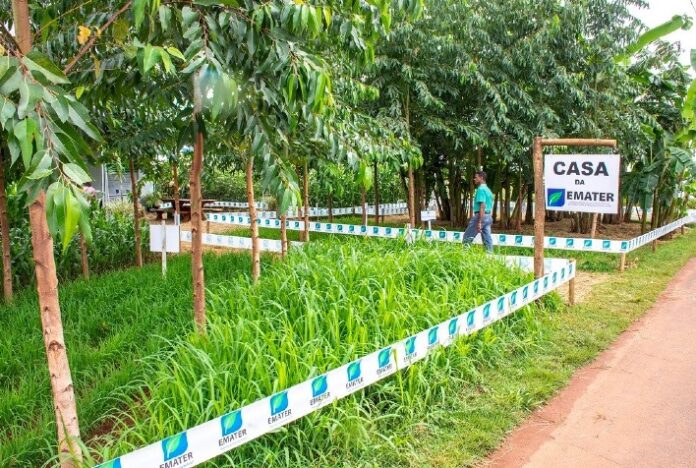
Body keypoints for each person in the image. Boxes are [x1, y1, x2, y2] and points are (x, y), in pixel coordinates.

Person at [463, 170, 494, 252]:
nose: (474, 179)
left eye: (476, 177)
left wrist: (479, 221)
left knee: (467, 237)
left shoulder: (480, 189)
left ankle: (463, 255)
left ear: (481, 178)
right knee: (487, 238)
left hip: (481, 216)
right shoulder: (488, 190)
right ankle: (490, 257)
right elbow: (489, 205)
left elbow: (482, 205)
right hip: (488, 216)